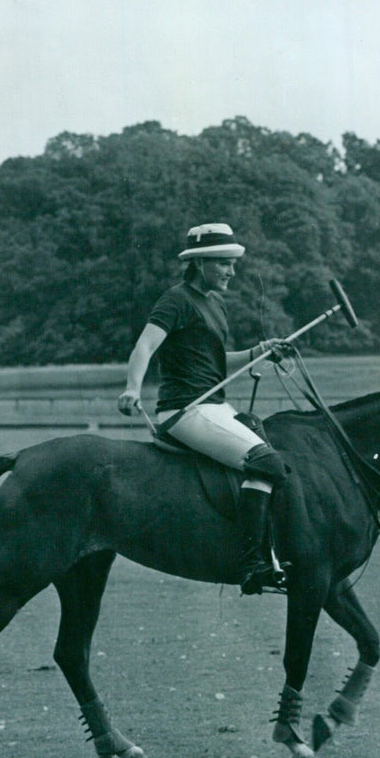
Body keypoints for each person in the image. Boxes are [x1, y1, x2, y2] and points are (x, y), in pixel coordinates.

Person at [117, 222, 290, 595]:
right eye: (224, 263)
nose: (232, 271)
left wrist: (259, 352)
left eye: (233, 263)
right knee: (268, 463)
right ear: (200, 264)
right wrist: (133, 388)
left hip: (215, 407)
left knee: (266, 451)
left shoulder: (215, 303)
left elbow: (215, 360)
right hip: (185, 411)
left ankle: (272, 553)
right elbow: (145, 346)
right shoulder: (176, 300)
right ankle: (250, 564)